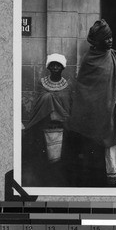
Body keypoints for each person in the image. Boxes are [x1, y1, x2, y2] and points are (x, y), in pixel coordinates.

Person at [69, 19, 116, 187]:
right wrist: (100, 102)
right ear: (98, 40)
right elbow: (84, 88)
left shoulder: (113, 56)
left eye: (111, 37)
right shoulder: (89, 60)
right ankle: (98, 179)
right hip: (98, 112)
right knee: (97, 150)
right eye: (106, 38)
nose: (110, 40)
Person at [22, 53, 72, 187]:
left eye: (58, 65)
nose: (55, 67)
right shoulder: (41, 83)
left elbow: (67, 105)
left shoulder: (67, 85)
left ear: (63, 68)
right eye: (52, 65)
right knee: (43, 157)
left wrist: (57, 109)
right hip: (43, 123)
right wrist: (50, 100)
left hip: (61, 125)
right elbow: (38, 103)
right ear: (48, 67)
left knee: (60, 157)